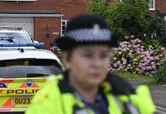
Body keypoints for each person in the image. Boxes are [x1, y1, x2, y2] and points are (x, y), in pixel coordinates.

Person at [26, 14, 156, 114]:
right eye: (87, 55)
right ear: (67, 59)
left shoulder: (129, 97)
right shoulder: (46, 105)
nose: (97, 63)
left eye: (103, 55)